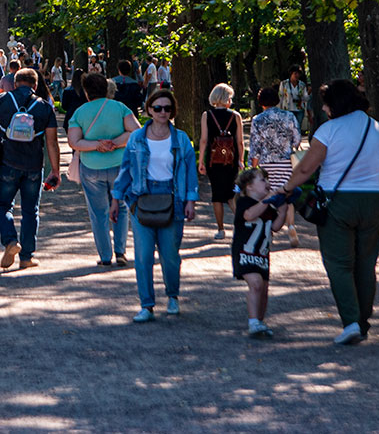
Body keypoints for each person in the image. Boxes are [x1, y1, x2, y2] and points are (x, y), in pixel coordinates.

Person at [278, 79, 379, 345]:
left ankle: (351, 321)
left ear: (335, 104)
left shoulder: (328, 131)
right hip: (375, 199)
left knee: (339, 264)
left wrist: (286, 188)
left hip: (337, 201)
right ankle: (363, 321)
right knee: (366, 265)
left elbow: (307, 168)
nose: (324, 108)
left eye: (326, 103)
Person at [110, 90, 198, 323]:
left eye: (167, 108)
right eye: (157, 108)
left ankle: (172, 296)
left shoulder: (180, 139)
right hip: (142, 198)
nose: (162, 112)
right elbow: (125, 170)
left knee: (170, 255)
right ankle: (146, 305)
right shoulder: (137, 138)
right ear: (149, 109)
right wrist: (116, 200)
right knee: (143, 256)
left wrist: (190, 201)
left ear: (172, 111)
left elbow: (190, 173)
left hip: (173, 199)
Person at [0, 68, 60, 269]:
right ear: (35, 85)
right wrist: (55, 171)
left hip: (7, 163)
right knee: (31, 210)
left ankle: (11, 241)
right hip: (33, 165)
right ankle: (27, 257)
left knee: (2, 205)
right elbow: (52, 142)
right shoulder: (44, 107)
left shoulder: (0, 101)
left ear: (14, 84)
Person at [67, 73, 141, 266]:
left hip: (92, 167)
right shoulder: (120, 108)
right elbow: (136, 131)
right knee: (122, 208)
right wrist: (115, 143)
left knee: (98, 213)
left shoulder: (80, 112)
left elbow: (74, 142)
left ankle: (105, 256)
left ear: (86, 92)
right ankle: (121, 251)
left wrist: (97, 145)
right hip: (119, 165)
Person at [231, 168, 288, 339]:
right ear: (249, 187)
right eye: (262, 180)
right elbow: (248, 216)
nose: (267, 183)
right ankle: (253, 321)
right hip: (245, 252)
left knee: (263, 289)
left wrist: (283, 210)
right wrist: (266, 201)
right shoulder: (243, 202)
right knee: (255, 283)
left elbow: (275, 226)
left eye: (267, 179)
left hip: (262, 253)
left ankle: (260, 322)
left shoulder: (269, 206)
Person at [249, 86, 302, 247]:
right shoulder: (289, 116)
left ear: (261, 101)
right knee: (287, 195)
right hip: (286, 163)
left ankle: (268, 230)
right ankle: (291, 226)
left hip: (266, 164)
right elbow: (297, 139)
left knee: (267, 196)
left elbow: (255, 146)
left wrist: (254, 165)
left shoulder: (257, 120)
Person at [198, 83, 244, 240]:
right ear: (227, 99)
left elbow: (204, 140)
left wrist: (201, 161)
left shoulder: (207, 115)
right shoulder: (236, 116)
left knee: (217, 194)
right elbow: (240, 142)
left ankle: (220, 229)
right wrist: (241, 160)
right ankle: (243, 226)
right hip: (230, 160)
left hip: (213, 160)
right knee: (231, 194)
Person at [279, 66, 311, 132]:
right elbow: (280, 97)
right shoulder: (284, 84)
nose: (297, 75)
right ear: (291, 73)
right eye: (295, 73)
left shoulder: (302, 84)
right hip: (288, 108)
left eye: (298, 74)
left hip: (299, 109)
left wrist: (308, 92)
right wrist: (280, 109)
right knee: (289, 128)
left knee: (297, 128)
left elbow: (305, 98)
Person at [61, 69, 86, 134]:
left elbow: (64, 106)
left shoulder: (67, 91)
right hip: (84, 118)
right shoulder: (86, 92)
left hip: (70, 116)